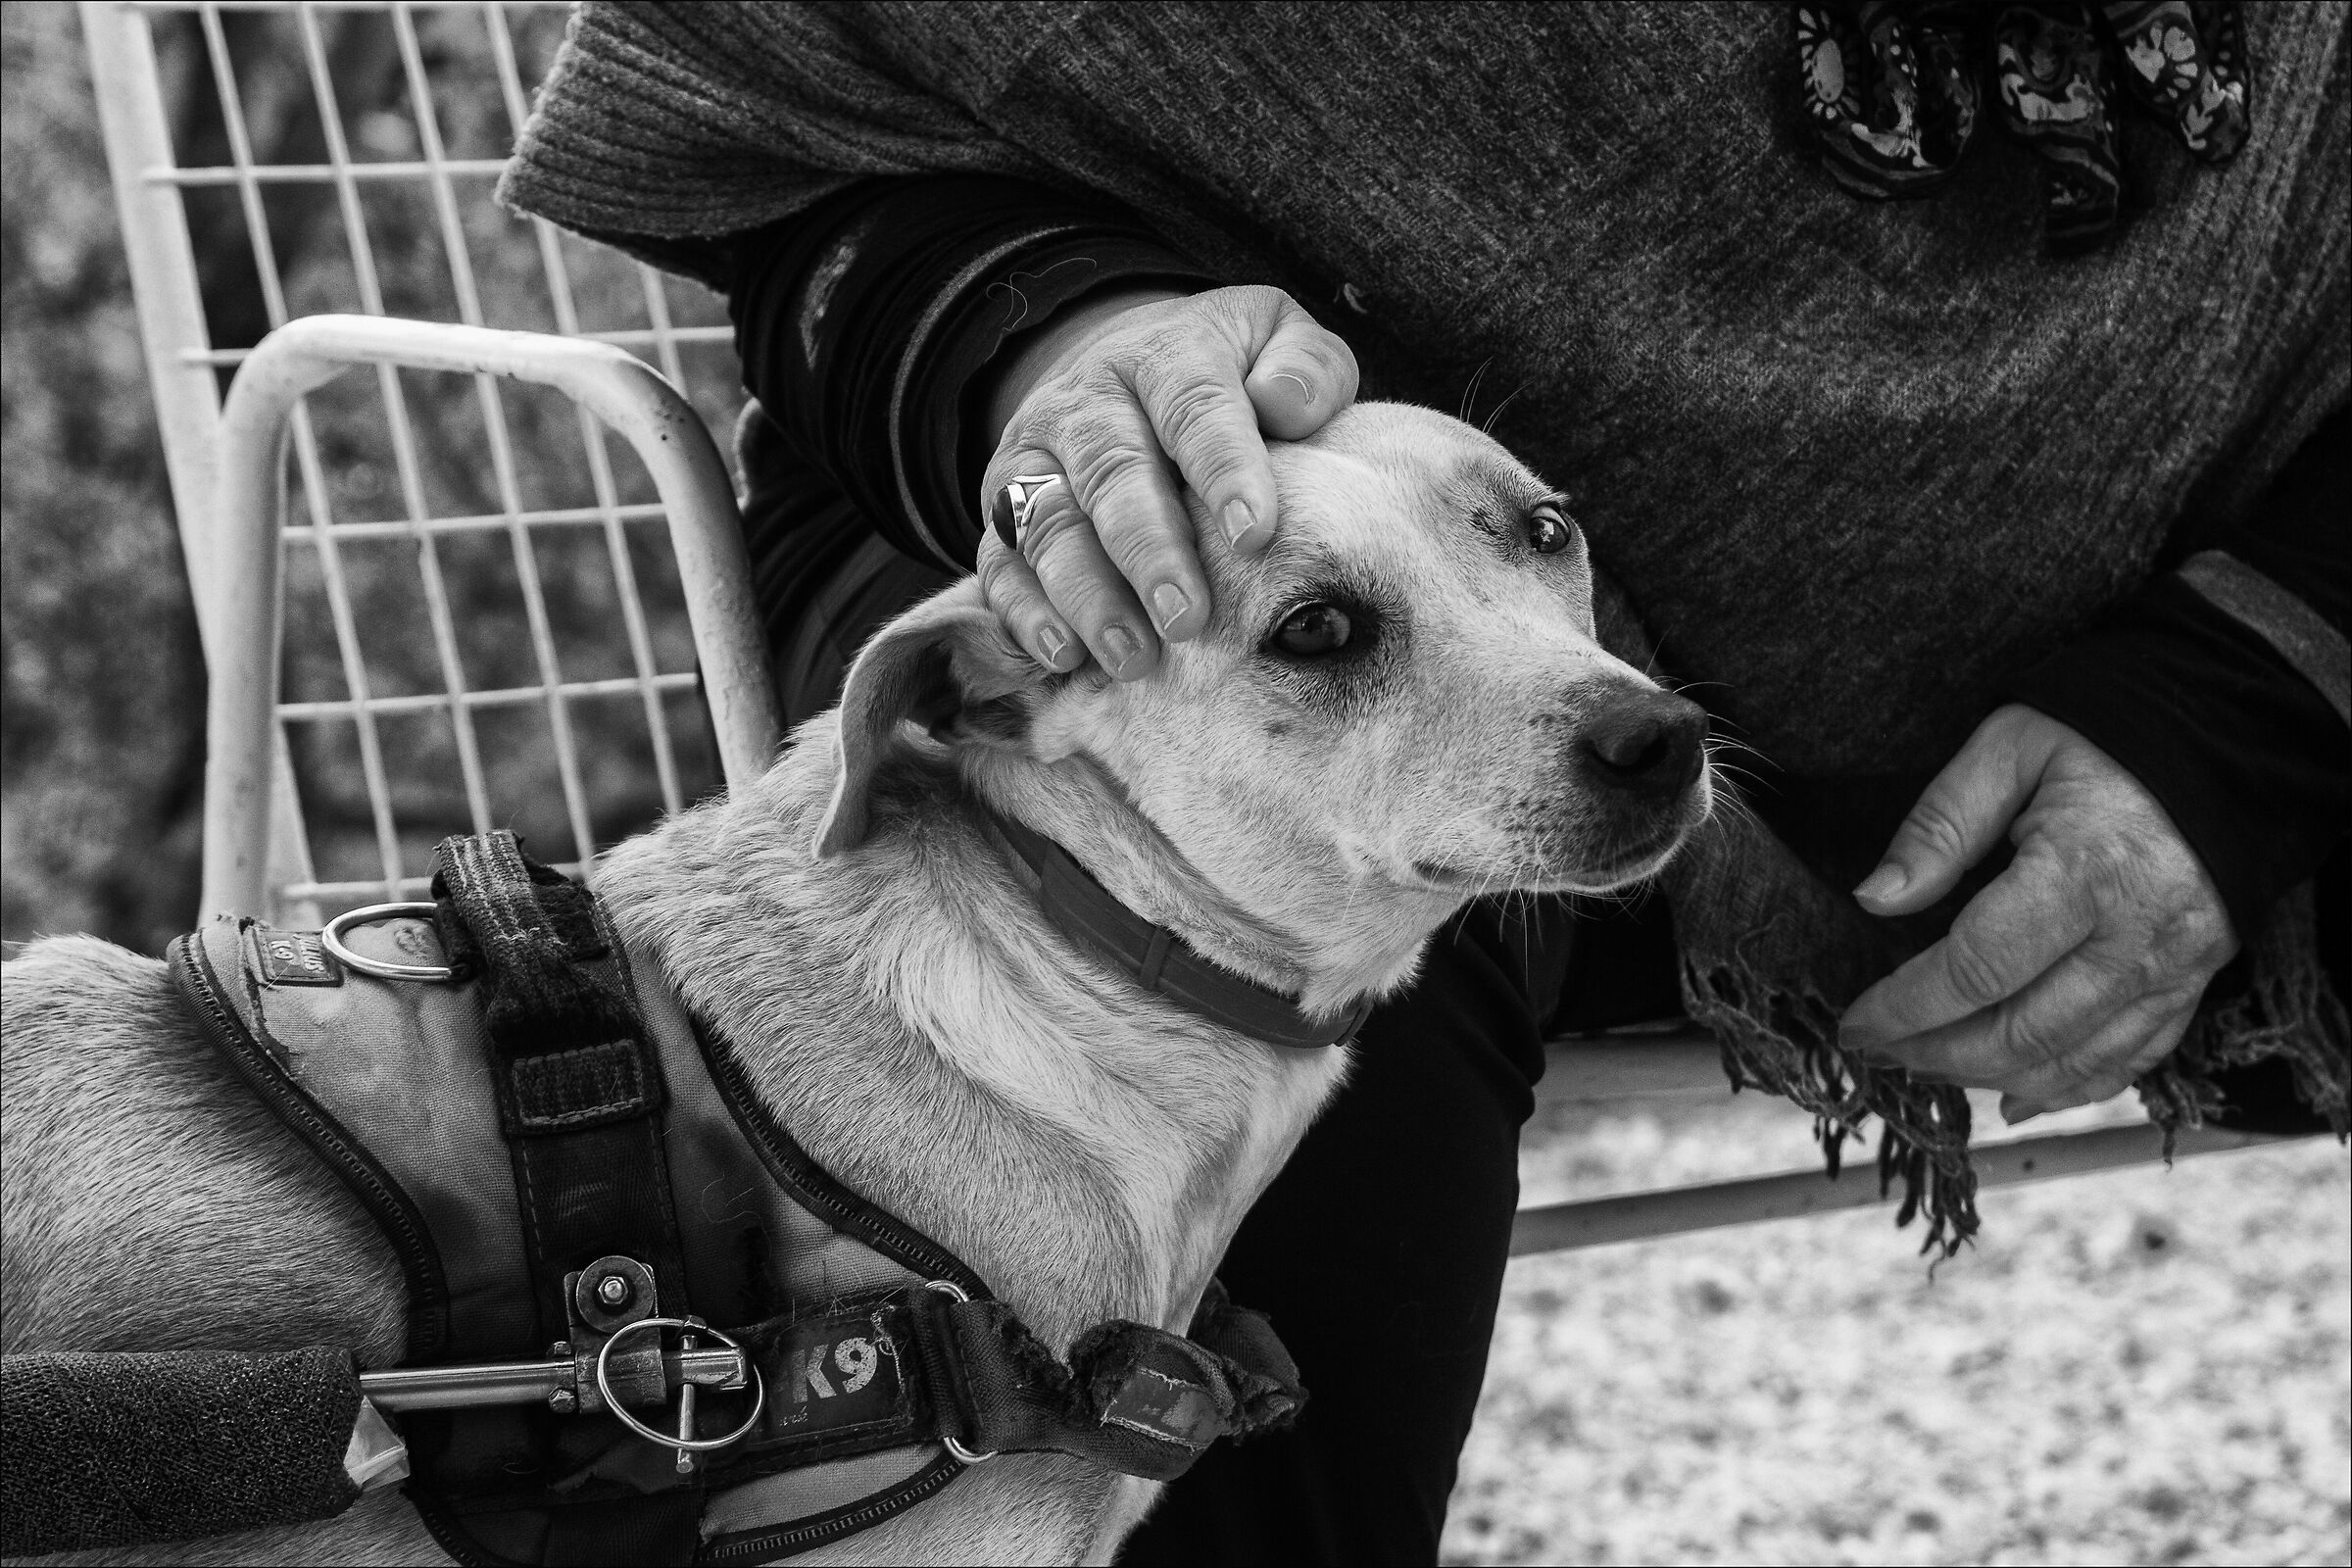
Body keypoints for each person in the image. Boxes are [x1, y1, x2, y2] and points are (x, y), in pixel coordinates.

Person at [501, 4, 2347, 1559]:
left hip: (2170, 621)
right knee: (1251, 887)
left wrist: (2259, 690)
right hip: (1083, 539)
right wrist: (1066, 353)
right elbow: (800, 158)